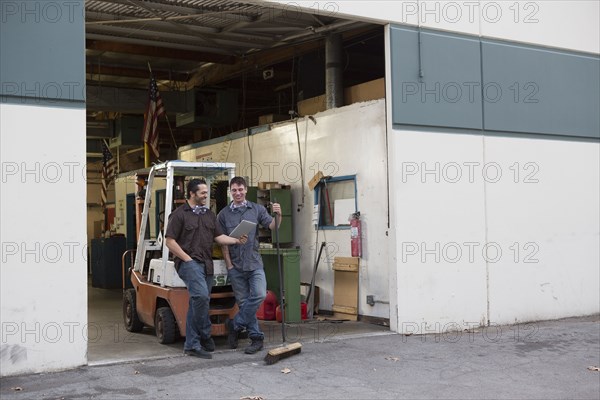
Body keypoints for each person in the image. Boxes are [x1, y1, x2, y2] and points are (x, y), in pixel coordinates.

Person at [165, 178, 247, 359]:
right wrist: (187, 259)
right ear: (192, 194)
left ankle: (198, 338)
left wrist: (235, 240)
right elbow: (169, 241)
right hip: (188, 263)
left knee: (199, 301)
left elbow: (218, 238)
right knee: (201, 296)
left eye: (206, 192)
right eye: (202, 193)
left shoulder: (209, 215)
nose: (206, 195)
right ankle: (198, 339)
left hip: (207, 264)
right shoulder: (179, 215)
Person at [217, 176, 281, 354]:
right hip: (236, 266)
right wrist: (229, 265)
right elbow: (222, 242)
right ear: (231, 192)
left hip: (254, 263)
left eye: (240, 189)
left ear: (245, 190)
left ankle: (235, 324)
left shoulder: (257, 209)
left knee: (260, 294)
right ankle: (256, 338)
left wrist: (279, 214)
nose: (237, 193)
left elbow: (273, 226)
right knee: (244, 302)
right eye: (234, 190)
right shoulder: (223, 215)